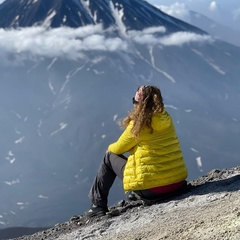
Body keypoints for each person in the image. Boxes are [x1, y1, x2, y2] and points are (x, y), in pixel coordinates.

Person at [86, 85, 188, 217]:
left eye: (135, 102)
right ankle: (134, 193)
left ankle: (97, 206)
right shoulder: (166, 118)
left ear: (140, 104)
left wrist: (109, 147)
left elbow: (118, 148)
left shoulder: (139, 124)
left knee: (109, 157)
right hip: (177, 184)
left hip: (153, 191)